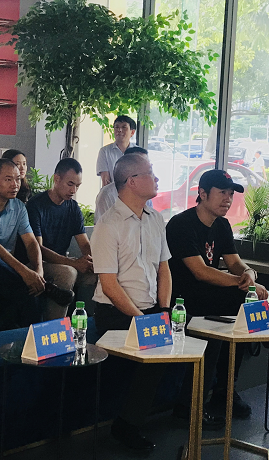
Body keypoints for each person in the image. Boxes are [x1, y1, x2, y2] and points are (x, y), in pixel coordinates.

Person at [166, 169, 269, 421]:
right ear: (202, 194)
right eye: (222, 192)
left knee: (243, 310)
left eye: (231, 194)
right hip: (183, 301)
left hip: (212, 297)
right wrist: (246, 285)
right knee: (244, 301)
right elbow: (200, 272)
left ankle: (226, 391)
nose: (228, 199)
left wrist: (249, 274)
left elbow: (234, 263)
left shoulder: (221, 224)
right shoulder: (181, 224)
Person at [91, 154, 171, 451]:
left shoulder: (156, 218)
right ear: (132, 181)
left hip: (149, 310)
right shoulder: (108, 225)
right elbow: (109, 286)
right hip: (116, 313)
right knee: (156, 349)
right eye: (150, 172)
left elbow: (164, 269)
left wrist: (164, 310)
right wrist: (144, 321)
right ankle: (126, 425)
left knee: (184, 339)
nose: (156, 178)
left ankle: (187, 408)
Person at [0, 159, 73, 327]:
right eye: (8, 179)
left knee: (28, 292)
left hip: (3, 274)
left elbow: (31, 243)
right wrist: (25, 273)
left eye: (17, 179)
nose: (15, 185)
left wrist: (38, 273)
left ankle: (35, 333)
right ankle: (45, 291)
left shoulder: (19, 208)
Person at [26, 158, 96, 319]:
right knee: (67, 273)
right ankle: (56, 327)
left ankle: (92, 322)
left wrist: (95, 262)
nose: (73, 190)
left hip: (62, 261)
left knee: (97, 273)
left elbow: (84, 244)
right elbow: (38, 249)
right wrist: (73, 263)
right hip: (36, 263)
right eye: (70, 184)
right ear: (56, 179)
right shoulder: (36, 205)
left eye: (77, 186)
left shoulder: (73, 208)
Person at [94, 146, 152, 222]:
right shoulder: (108, 194)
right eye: (142, 165)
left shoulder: (146, 194)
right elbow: (102, 225)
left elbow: (149, 223)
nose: (147, 170)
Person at [96, 115, 137, 186]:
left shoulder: (139, 152)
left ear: (132, 132)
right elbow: (106, 182)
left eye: (124, 127)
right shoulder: (105, 152)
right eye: (117, 127)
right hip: (113, 192)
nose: (119, 130)